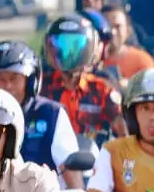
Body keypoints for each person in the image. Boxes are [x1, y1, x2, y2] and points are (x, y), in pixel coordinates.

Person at [0, 41, 83, 189]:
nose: (8, 86)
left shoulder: (51, 114)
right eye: (1, 79)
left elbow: (70, 167)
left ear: (30, 81)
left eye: (14, 78)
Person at [40, 14, 125, 147]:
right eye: (62, 46)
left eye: (76, 46)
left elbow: (124, 133)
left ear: (89, 48)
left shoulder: (102, 89)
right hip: (47, 161)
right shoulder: (40, 87)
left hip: (94, 161)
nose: (69, 54)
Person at [101, 5, 154, 86]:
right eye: (108, 26)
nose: (112, 32)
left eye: (117, 27)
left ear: (128, 31)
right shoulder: (89, 60)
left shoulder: (142, 60)